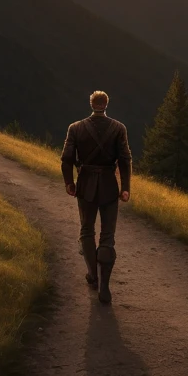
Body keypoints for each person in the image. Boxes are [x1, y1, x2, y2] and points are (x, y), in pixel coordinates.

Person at [61, 90, 132, 304]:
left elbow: (66, 159)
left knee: (86, 231)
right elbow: (125, 160)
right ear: (106, 104)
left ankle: (93, 275)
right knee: (107, 236)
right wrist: (125, 187)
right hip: (110, 186)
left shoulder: (75, 128)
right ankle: (105, 287)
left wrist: (69, 183)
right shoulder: (119, 128)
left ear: (91, 103)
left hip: (85, 185)